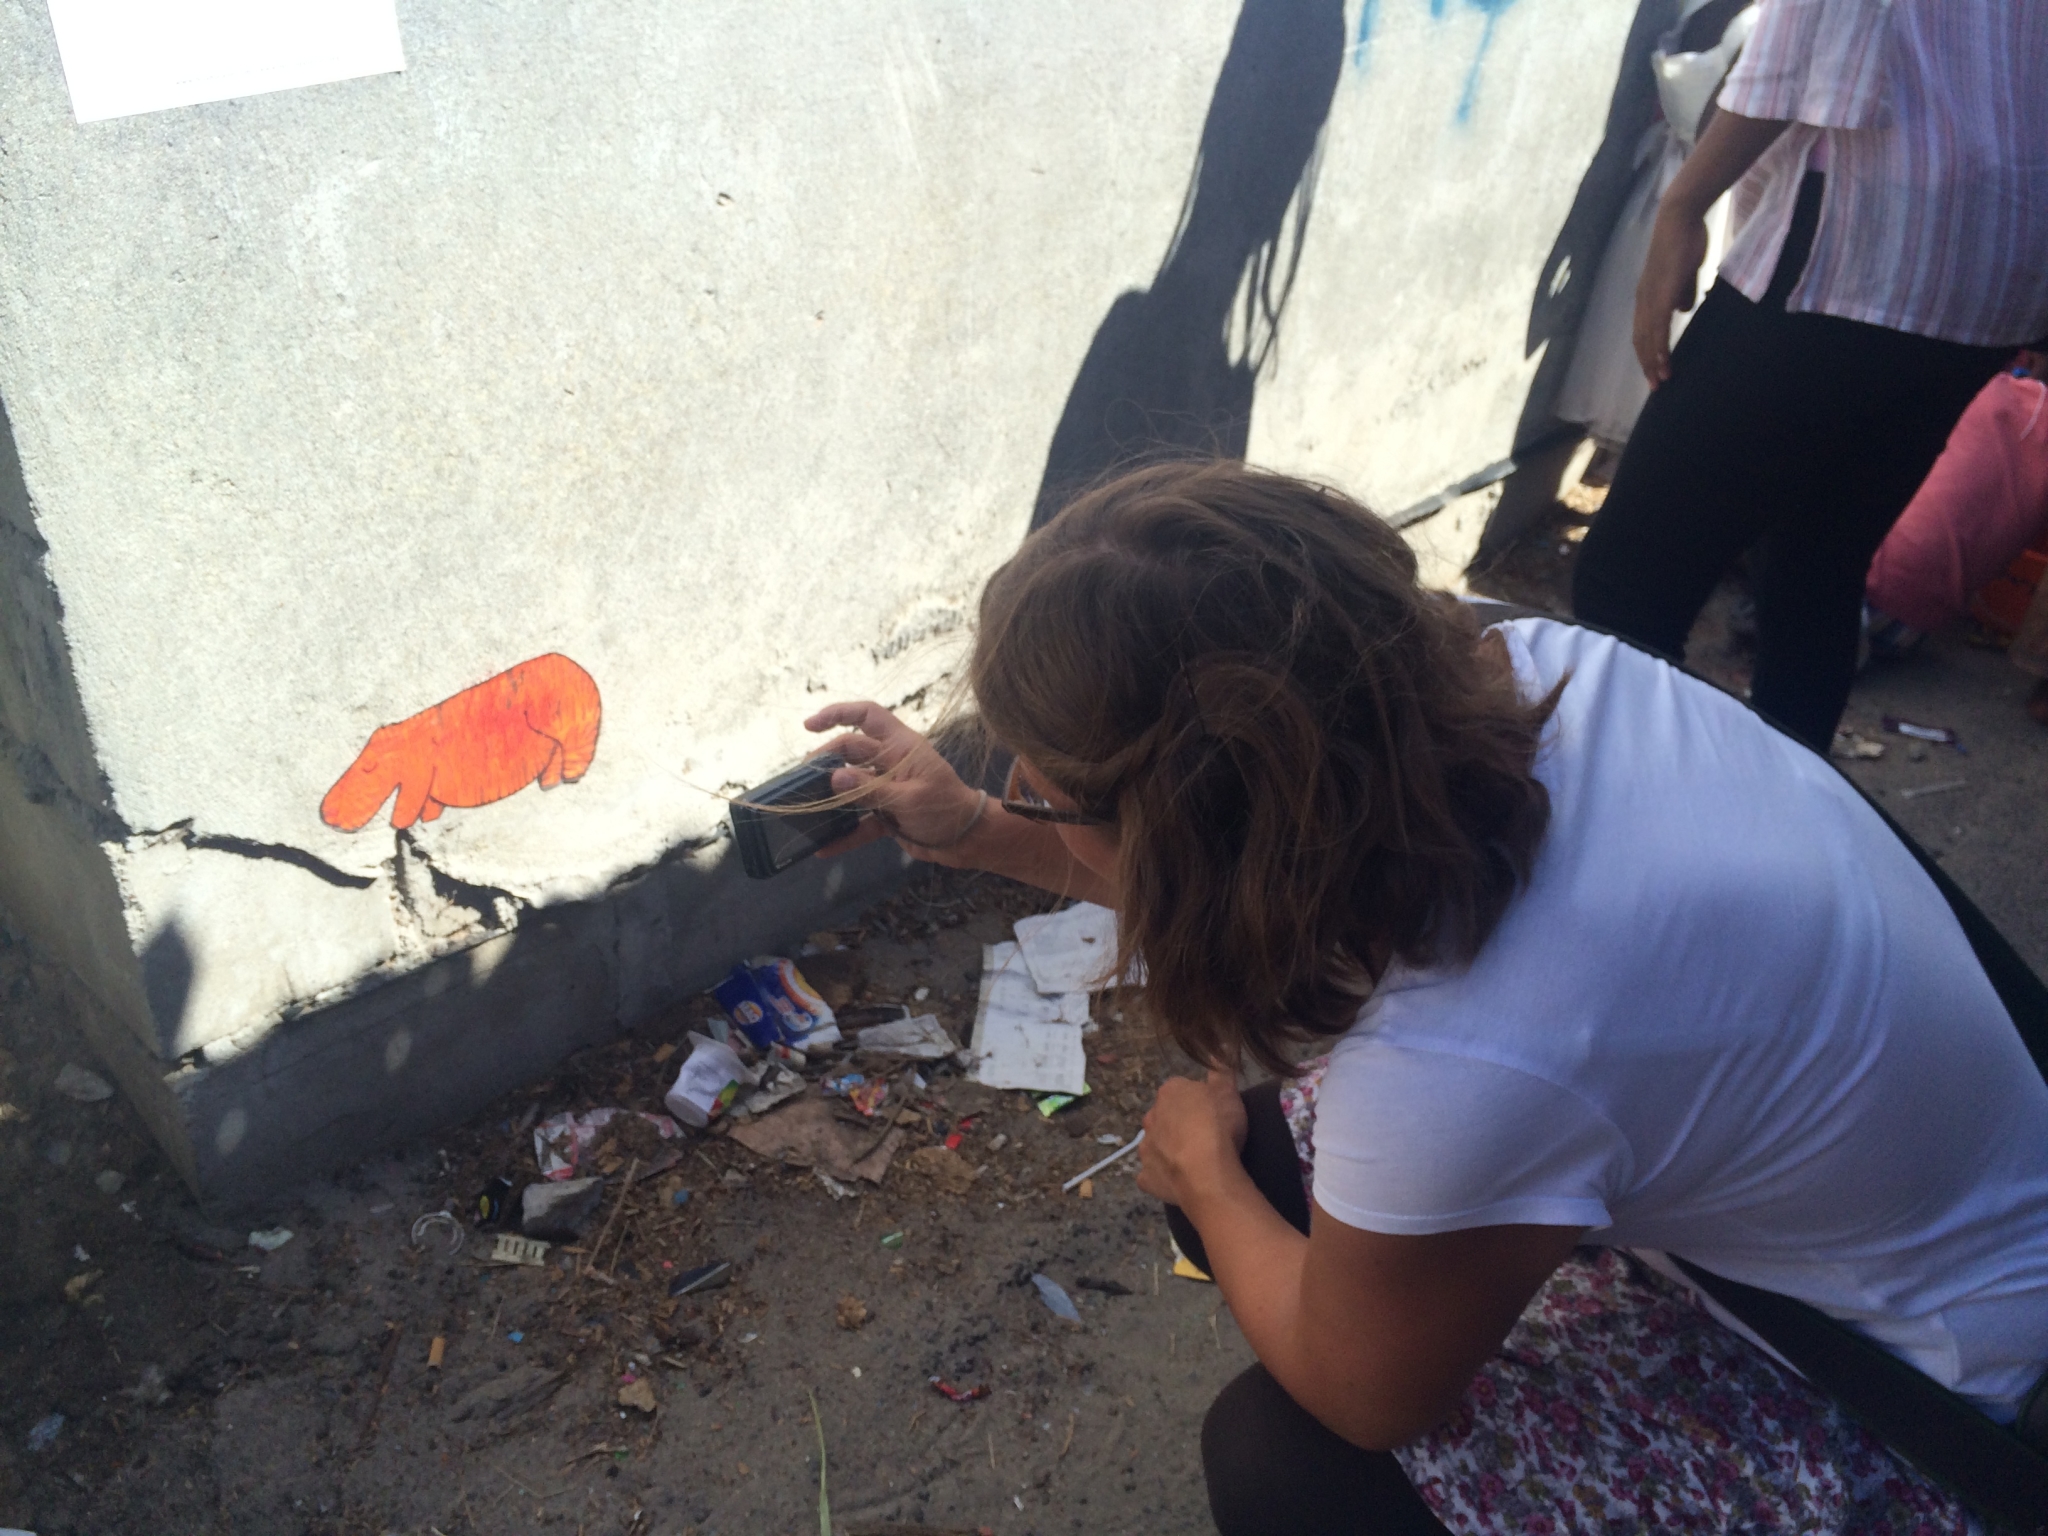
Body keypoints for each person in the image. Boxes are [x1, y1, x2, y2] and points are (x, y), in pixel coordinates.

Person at [801, 460, 2048, 1534]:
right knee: (1286, 1171)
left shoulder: (1472, 1048)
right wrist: (982, 829)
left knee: (1283, 1458)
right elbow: (1234, 875)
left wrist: (1204, 1178)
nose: (1025, 792)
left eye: (1050, 791)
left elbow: (1368, 1397)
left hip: (1920, 1389)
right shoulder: (1495, 662)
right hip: (1904, 1204)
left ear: (1188, 826)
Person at [1570, 0, 2048, 752]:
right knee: (1815, 568)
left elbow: (1826, 33)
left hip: (1869, 229)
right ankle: (1783, 812)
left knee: (1627, 583)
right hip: (1997, 254)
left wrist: (1684, 203)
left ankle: (1620, 804)